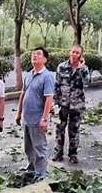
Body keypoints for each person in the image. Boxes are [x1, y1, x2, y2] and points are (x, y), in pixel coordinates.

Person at [15, 47, 55, 182]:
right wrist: (19, 113)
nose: (35, 56)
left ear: (44, 59)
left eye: (38, 54)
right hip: (26, 118)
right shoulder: (29, 75)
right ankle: (31, 169)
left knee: (39, 147)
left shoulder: (47, 77)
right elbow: (23, 94)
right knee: (28, 147)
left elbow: (49, 99)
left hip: (38, 119)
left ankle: (41, 174)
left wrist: (44, 119)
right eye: (33, 54)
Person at [52, 45, 90, 164]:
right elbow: (57, 85)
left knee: (74, 130)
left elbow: (87, 83)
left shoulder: (84, 69)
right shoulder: (61, 67)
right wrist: (54, 102)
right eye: (73, 52)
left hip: (77, 105)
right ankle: (58, 152)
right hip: (62, 104)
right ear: (69, 52)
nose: (74, 54)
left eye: (77, 53)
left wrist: (81, 68)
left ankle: (73, 154)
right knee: (60, 129)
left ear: (80, 55)